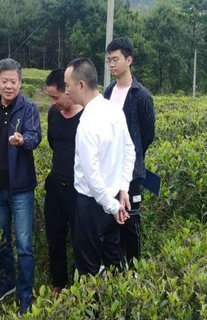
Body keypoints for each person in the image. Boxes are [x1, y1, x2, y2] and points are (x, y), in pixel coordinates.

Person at [0, 58, 42, 315]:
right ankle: (7, 281)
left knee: (24, 243)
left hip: (22, 188)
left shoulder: (29, 109)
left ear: (21, 83)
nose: (9, 86)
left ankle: (26, 293)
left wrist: (23, 140)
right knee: (2, 241)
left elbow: (36, 137)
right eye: (5, 81)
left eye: (14, 81)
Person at [63, 58, 135, 276]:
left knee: (88, 268)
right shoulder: (114, 110)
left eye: (68, 85)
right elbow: (129, 151)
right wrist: (123, 189)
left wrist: (113, 206)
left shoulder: (87, 122)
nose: (66, 91)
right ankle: (118, 308)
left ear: (81, 85)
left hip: (93, 205)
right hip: (112, 199)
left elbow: (91, 176)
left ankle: (93, 311)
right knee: (113, 260)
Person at [104, 37, 156, 263]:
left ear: (129, 60)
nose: (112, 65)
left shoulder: (141, 95)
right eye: (109, 60)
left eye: (116, 59)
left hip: (131, 172)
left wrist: (131, 157)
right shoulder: (107, 93)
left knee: (131, 221)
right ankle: (115, 266)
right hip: (109, 171)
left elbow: (147, 135)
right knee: (111, 219)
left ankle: (133, 269)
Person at [43, 68, 83, 294]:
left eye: (56, 97)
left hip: (78, 189)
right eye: (50, 98)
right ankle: (59, 284)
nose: (53, 102)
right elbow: (52, 143)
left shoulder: (86, 115)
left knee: (80, 240)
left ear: (68, 91)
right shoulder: (53, 114)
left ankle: (80, 287)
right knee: (55, 238)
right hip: (56, 185)